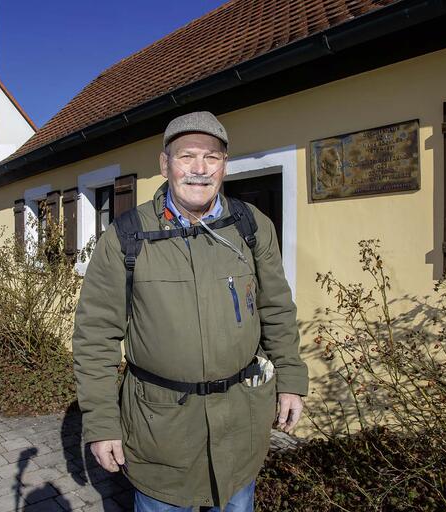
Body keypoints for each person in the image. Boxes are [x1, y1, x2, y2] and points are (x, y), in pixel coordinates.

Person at [72, 111, 308, 511]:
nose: (199, 169)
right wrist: (101, 424)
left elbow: (276, 309)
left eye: (211, 158)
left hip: (239, 427)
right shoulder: (126, 237)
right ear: (165, 164)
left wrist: (291, 379)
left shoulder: (251, 227)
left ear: (224, 165)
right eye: (187, 156)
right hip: (160, 431)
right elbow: (96, 336)